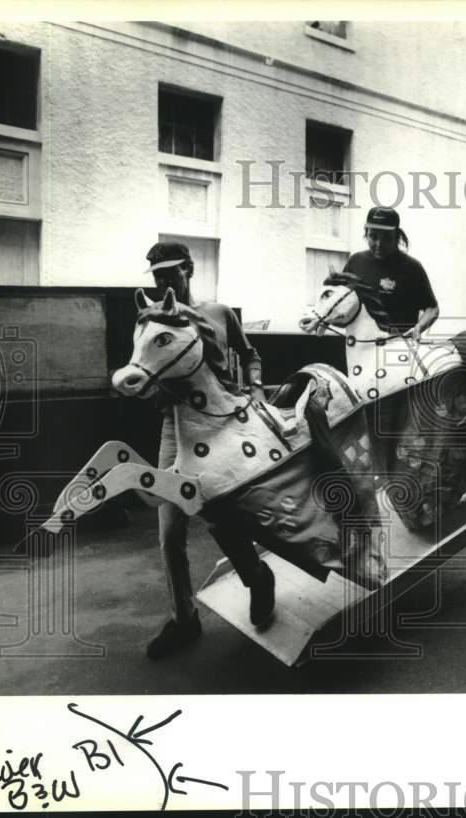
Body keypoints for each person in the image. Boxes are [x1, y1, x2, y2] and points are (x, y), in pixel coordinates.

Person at [143, 242, 267, 659]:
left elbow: (250, 355)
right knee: (170, 531)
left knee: (224, 515)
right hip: (174, 427)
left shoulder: (219, 313)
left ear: (190, 269)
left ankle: (256, 577)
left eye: (170, 273)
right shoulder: (151, 318)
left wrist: (253, 387)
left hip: (220, 426)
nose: (163, 282)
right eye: (157, 276)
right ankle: (184, 620)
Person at [334, 206, 439, 339]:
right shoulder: (355, 262)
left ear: (397, 237)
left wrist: (418, 328)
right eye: (373, 237)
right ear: (366, 234)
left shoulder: (412, 268)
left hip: (399, 347)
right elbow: (342, 303)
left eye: (386, 238)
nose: (379, 244)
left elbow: (432, 309)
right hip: (360, 349)